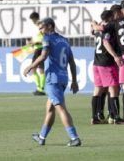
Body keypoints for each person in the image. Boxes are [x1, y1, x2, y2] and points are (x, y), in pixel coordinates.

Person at [24, 17, 81, 147]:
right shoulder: (65, 41)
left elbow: (43, 56)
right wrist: (74, 81)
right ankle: (42, 137)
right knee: (50, 108)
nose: (41, 31)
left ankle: (74, 137)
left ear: (50, 26)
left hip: (52, 79)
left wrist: (30, 66)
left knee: (60, 108)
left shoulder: (47, 39)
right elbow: (71, 61)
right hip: (63, 78)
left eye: (42, 28)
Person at [91, 10, 122, 124]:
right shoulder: (108, 28)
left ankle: (94, 117)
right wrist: (115, 56)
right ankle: (115, 117)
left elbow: (93, 31)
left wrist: (94, 24)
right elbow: (106, 42)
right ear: (110, 17)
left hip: (96, 62)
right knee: (113, 88)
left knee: (98, 89)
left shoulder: (97, 28)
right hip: (106, 62)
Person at [27, 12, 46, 96]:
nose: (32, 21)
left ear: (36, 18)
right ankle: (39, 88)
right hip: (36, 49)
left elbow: (44, 38)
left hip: (41, 49)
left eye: (33, 20)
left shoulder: (41, 26)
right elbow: (36, 37)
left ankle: (41, 89)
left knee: (40, 69)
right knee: (34, 69)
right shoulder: (35, 28)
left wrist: (35, 42)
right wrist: (30, 41)